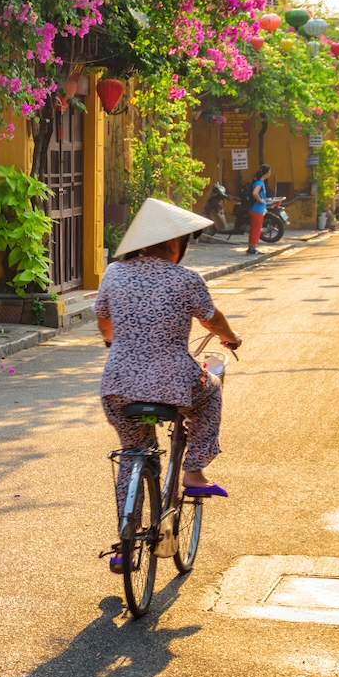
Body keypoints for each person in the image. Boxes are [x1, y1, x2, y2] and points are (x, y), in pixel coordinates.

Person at [95, 198, 242, 573]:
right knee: (210, 392)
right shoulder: (186, 279)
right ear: (177, 244)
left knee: (133, 451)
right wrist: (231, 338)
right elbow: (213, 320)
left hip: (118, 384)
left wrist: (117, 344)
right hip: (174, 383)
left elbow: (104, 321)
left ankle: (125, 546)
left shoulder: (114, 273)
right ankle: (193, 471)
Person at [245, 163, 270, 255]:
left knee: (254, 229)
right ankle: (253, 248)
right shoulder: (259, 183)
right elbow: (255, 193)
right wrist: (261, 201)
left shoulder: (257, 182)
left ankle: (251, 247)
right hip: (257, 210)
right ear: (266, 173)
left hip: (254, 209)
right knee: (256, 229)